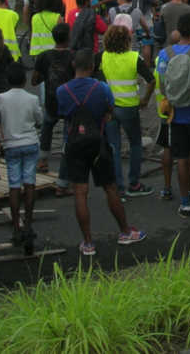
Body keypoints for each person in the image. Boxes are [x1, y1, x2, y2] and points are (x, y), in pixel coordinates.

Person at [57, 49, 146, 256]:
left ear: (73, 66)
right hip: (98, 142)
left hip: (74, 143)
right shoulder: (101, 88)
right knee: (110, 188)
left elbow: (63, 114)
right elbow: (110, 111)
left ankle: (88, 242)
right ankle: (125, 231)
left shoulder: (63, 91)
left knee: (80, 192)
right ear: (92, 67)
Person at [155, 12, 190, 217]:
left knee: (182, 159)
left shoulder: (165, 54)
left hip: (176, 114)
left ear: (178, 30)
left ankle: (186, 201)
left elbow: (162, 84)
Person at [100, 24, 156, 198]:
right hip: (129, 107)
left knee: (114, 147)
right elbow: (151, 80)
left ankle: (118, 187)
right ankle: (134, 183)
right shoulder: (134, 58)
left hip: (110, 107)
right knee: (135, 143)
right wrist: (145, 99)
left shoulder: (104, 57)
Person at [0, 63, 42, 246]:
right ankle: (28, 224)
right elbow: (38, 118)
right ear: (24, 80)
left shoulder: (1, 98)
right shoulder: (32, 98)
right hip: (30, 142)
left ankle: (16, 227)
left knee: (14, 185)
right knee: (29, 183)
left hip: (11, 144)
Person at [32, 23, 75, 192]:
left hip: (51, 100)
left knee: (47, 129)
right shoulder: (74, 56)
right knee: (68, 138)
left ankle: (42, 160)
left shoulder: (44, 56)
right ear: (68, 37)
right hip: (70, 102)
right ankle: (64, 180)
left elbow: (34, 80)